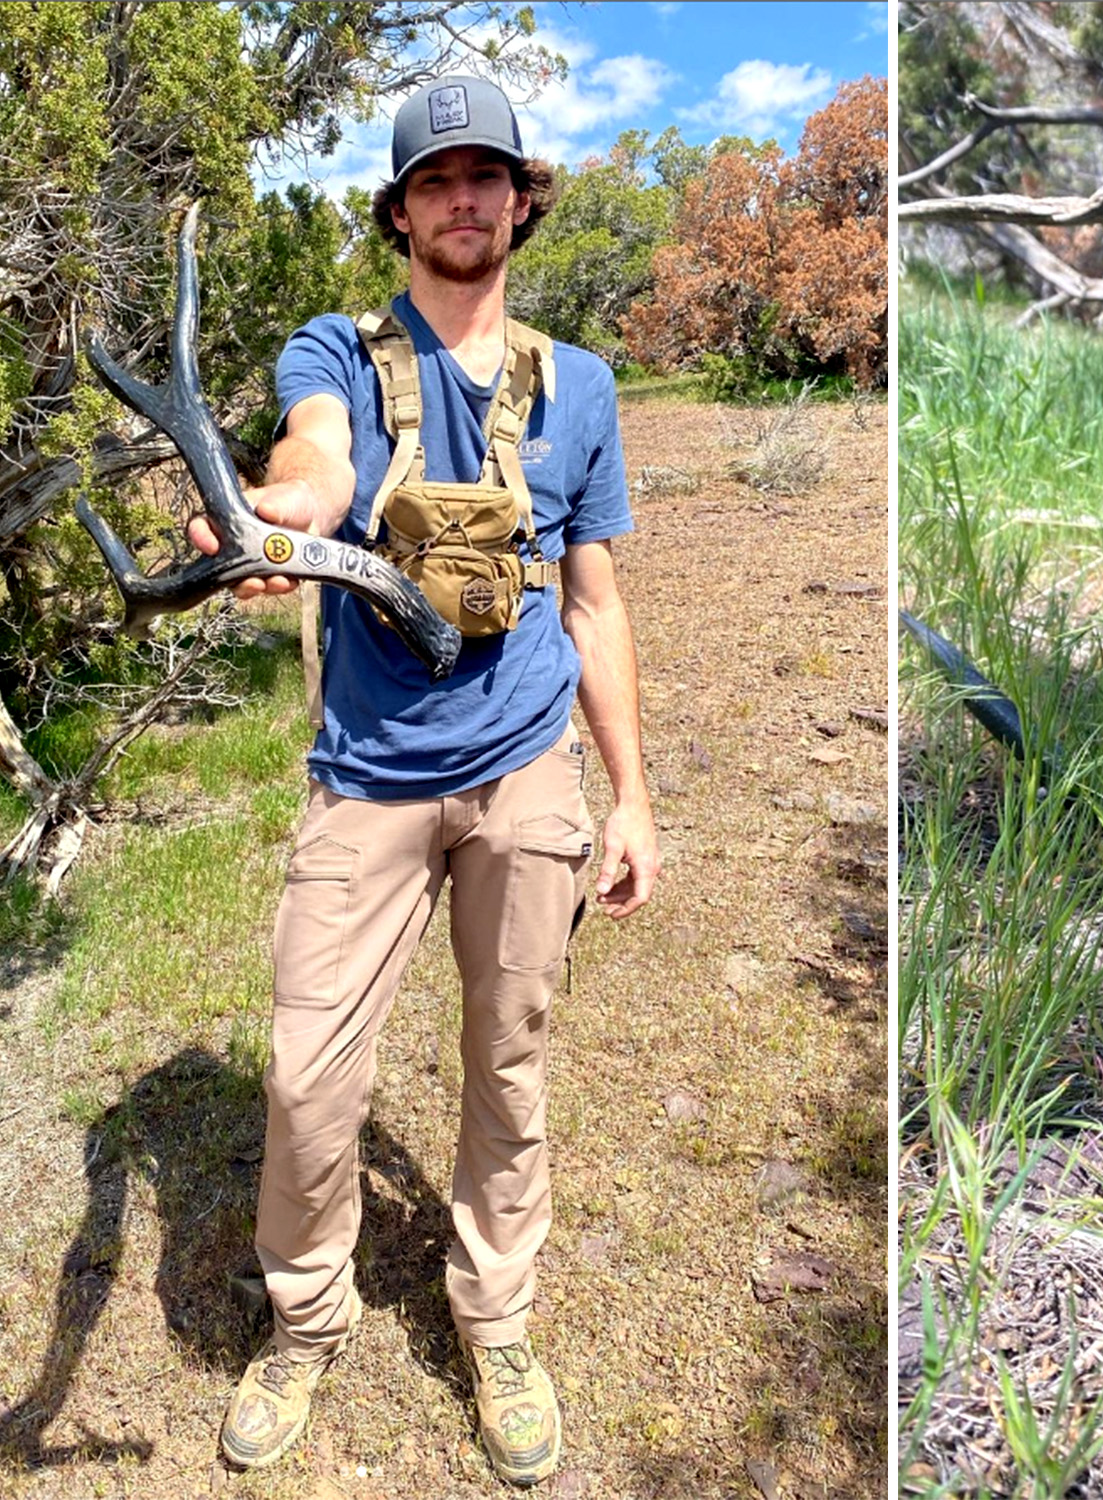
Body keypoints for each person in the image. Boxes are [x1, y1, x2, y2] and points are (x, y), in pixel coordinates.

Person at [194, 75, 659, 1486]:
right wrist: (287, 506)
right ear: (401, 210)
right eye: (436, 178)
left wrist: (630, 794)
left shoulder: (581, 387)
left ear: (523, 201)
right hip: (370, 780)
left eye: (489, 175)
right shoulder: (331, 350)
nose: (464, 197)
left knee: (509, 1061)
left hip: (525, 773)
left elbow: (591, 602)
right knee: (305, 1074)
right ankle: (307, 1319)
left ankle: (495, 1319)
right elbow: (315, 458)